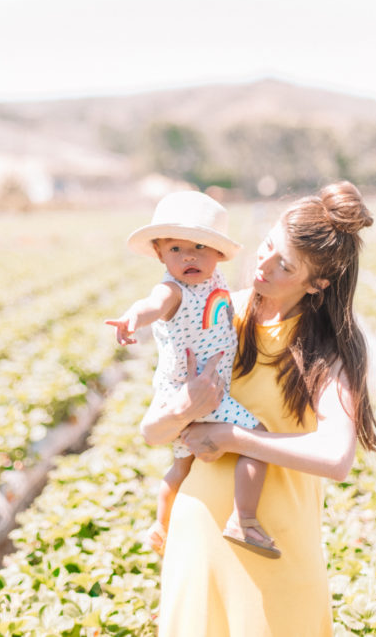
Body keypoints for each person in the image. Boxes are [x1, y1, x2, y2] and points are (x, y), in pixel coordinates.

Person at [140, 181, 376, 637]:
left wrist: (233, 438)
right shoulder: (218, 313)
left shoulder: (327, 351)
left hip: (276, 545)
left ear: (319, 283)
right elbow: (152, 432)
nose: (263, 265)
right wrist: (182, 410)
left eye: (284, 264)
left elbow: (336, 457)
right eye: (267, 244)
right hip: (198, 538)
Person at [106, 191, 279, 558]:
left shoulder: (215, 285)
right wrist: (134, 318)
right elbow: (153, 304)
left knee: (181, 465)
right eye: (175, 249)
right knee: (259, 440)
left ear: (218, 254)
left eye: (200, 246)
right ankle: (244, 520)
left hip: (186, 393)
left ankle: (160, 525)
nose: (188, 257)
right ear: (159, 255)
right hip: (201, 392)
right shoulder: (173, 290)